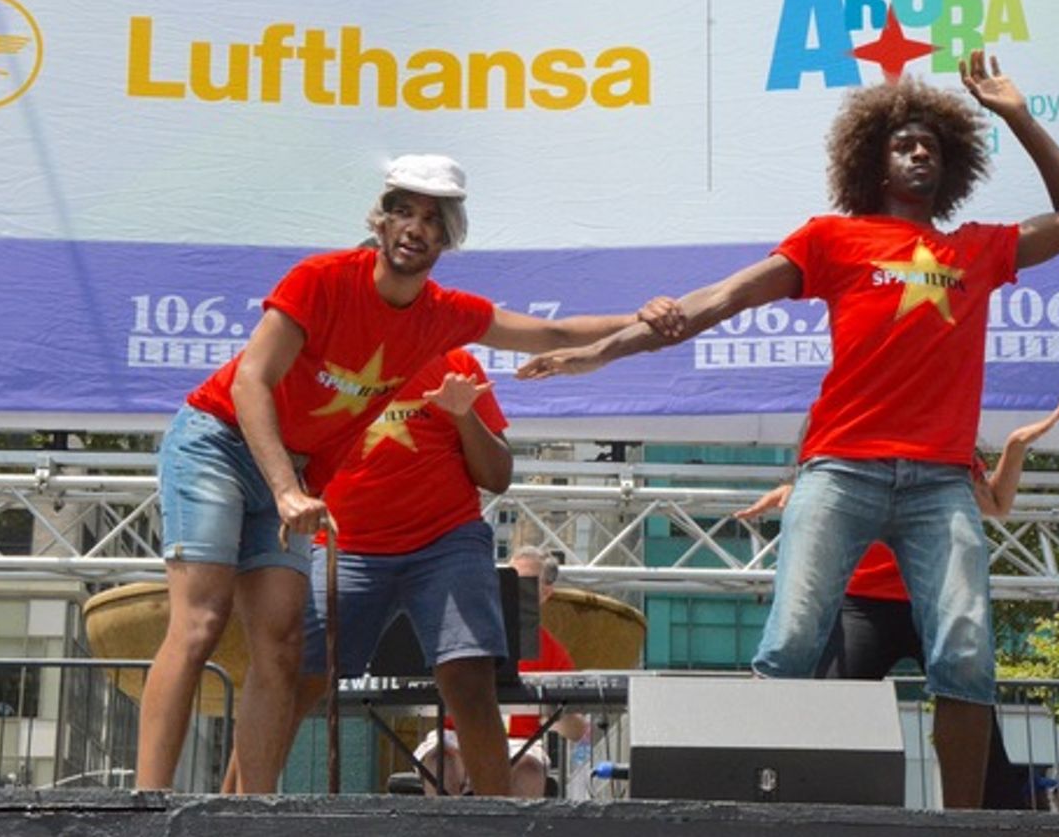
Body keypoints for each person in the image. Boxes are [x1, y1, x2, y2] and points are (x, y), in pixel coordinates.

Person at [518, 51, 1059, 808]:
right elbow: (721, 298)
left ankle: (966, 826)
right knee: (788, 647)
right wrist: (601, 349)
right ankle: (763, 815)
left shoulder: (977, 250)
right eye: (903, 141)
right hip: (840, 471)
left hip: (940, 483)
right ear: (872, 158)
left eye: (932, 141)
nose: (919, 148)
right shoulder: (833, 239)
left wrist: (1016, 115)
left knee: (966, 657)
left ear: (954, 160)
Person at [140, 154, 682, 792]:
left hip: (325, 490)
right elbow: (252, 380)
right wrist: (286, 487)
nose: (415, 227)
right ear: (381, 220)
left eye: (432, 218)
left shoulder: (442, 321)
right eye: (403, 211)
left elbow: (551, 331)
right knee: (202, 621)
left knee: (283, 648)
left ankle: (248, 812)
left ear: (448, 236)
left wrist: (639, 322)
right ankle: (146, 803)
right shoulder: (322, 279)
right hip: (223, 442)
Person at [736, 397, 1059, 809]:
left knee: (970, 691)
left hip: (930, 604)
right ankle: (796, 810)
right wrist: (802, 493)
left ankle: (981, 817)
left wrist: (1015, 447)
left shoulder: (945, 454)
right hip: (863, 606)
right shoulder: (839, 451)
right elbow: (828, 489)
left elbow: (997, 504)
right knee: (827, 719)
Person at [414, 546, 588, 797]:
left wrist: (555, 714)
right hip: (457, 735)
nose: (511, 589)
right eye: (506, 579)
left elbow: (578, 731)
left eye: (524, 583)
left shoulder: (552, 651)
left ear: (545, 593)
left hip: (520, 744)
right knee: (442, 760)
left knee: (529, 768)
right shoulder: (464, 632)